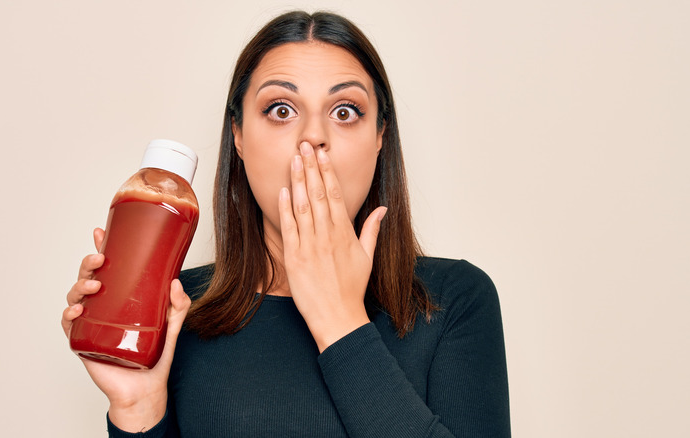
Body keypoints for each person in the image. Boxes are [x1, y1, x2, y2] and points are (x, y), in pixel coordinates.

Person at [62, 10, 510, 438]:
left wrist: (340, 321)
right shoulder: (178, 311)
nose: (313, 137)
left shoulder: (455, 300)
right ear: (237, 136)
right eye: (280, 109)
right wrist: (138, 408)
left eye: (345, 111)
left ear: (380, 137)